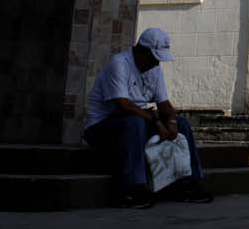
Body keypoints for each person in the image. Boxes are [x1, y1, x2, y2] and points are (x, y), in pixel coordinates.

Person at [82, 28, 211, 208]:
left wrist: (172, 123)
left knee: (182, 124)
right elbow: (122, 105)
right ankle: (131, 189)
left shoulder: (154, 69)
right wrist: (156, 122)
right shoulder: (119, 63)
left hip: (140, 122)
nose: (156, 63)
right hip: (101, 128)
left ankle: (189, 183)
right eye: (153, 57)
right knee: (133, 123)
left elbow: (164, 104)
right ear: (141, 50)